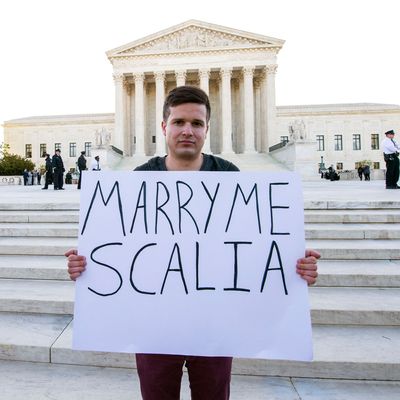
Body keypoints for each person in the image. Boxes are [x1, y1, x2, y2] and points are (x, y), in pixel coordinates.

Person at [65, 86, 320, 400]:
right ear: (164, 127)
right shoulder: (138, 180)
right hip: (154, 326)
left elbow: (252, 247)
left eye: (197, 123)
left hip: (214, 323)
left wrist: (293, 260)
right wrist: (85, 266)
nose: (188, 130)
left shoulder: (229, 176)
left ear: (207, 129)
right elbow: (118, 250)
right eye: (179, 122)